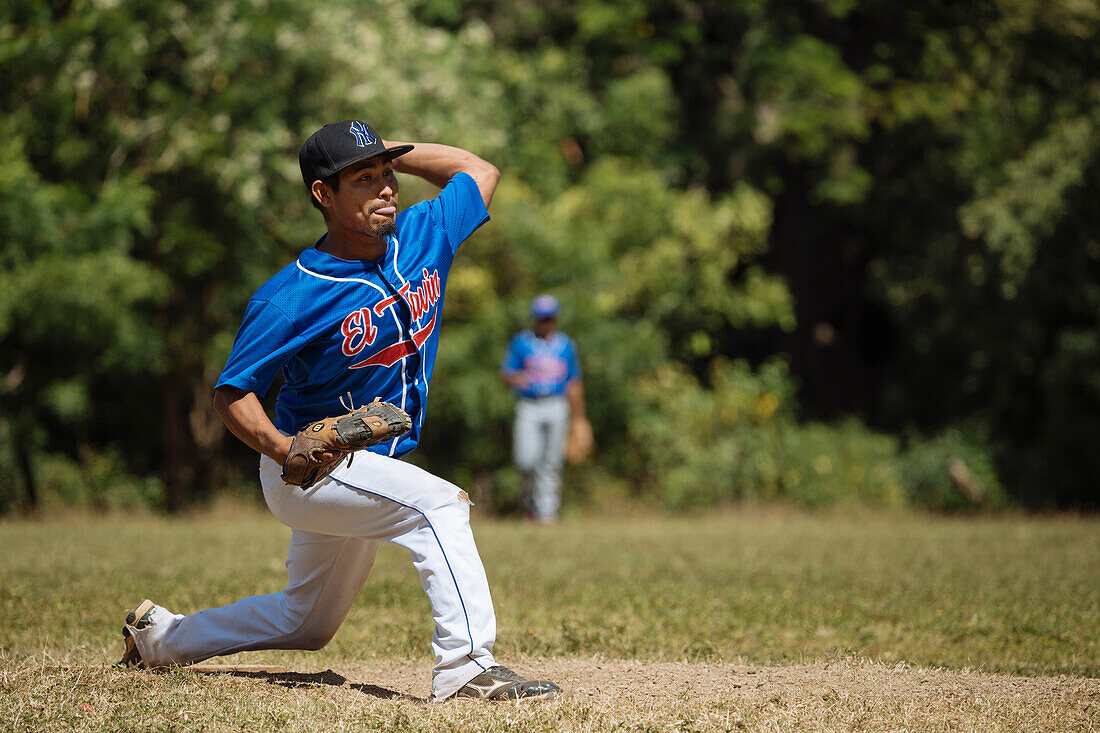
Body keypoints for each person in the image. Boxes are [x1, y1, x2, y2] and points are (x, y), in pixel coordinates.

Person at [118, 120, 561, 702]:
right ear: (322, 195)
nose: (385, 190)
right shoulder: (292, 294)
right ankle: (465, 665)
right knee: (441, 505)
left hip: (373, 466)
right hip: (310, 467)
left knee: (307, 624)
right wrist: (284, 450)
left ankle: (162, 639)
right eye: (363, 180)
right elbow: (232, 392)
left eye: (386, 176)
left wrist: (390, 153)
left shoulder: (426, 234)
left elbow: (480, 171)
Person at [500, 295, 589, 525]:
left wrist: (580, 418)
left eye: (549, 318)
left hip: (557, 404)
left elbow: (574, 382)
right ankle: (529, 505)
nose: (545, 323)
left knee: (552, 462)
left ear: (555, 319)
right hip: (529, 405)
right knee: (525, 460)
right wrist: (515, 379)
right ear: (534, 319)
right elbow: (506, 372)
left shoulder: (566, 345)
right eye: (541, 318)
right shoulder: (522, 342)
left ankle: (547, 514)